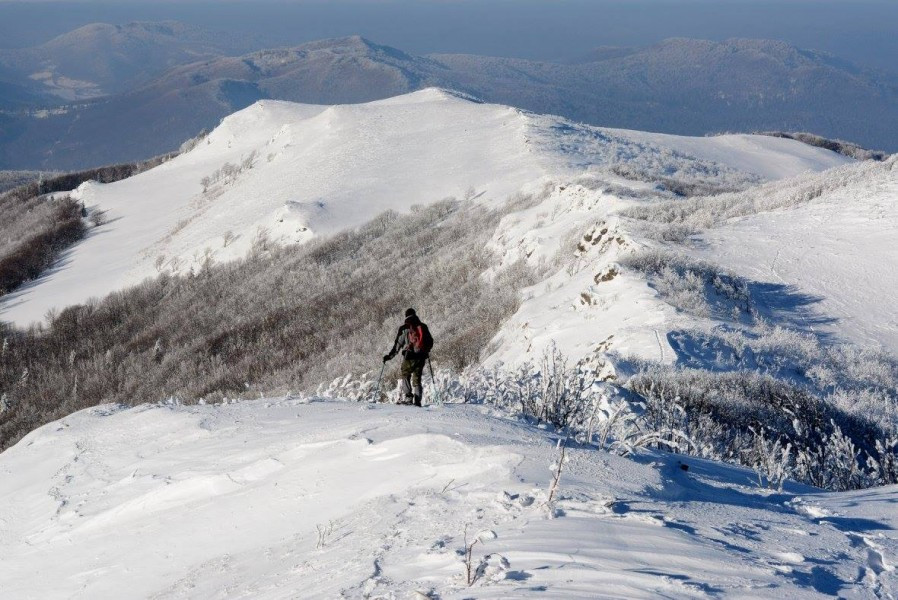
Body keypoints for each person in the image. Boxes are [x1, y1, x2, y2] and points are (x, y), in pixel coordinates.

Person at [383, 308, 433, 406]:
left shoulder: (404, 328)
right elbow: (430, 341)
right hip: (421, 356)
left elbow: (398, 344)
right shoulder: (423, 326)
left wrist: (389, 356)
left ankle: (408, 397)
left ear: (406, 316)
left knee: (405, 375)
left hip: (409, 356)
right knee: (417, 378)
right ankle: (418, 401)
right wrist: (426, 351)